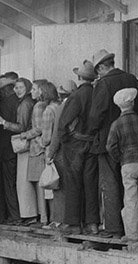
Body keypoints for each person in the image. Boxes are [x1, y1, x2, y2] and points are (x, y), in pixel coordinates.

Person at [87, 49, 138, 238]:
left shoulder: (103, 84)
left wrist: (93, 130)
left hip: (108, 142)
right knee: (135, 190)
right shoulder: (131, 79)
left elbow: (95, 117)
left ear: (102, 67)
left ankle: (114, 228)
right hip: (134, 143)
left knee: (110, 184)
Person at [47, 61, 98, 236]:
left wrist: (65, 140)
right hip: (92, 143)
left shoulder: (77, 96)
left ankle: (74, 223)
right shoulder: (97, 93)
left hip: (75, 145)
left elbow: (64, 123)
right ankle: (92, 224)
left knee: (73, 183)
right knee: (90, 184)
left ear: (79, 77)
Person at [106, 87, 138, 243]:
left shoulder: (116, 124)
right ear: (132, 102)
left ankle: (132, 234)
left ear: (119, 106)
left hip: (127, 163)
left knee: (130, 199)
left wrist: (120, 158)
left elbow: (110, 146)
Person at [27, 79, 61, 226]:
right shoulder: (60, 106)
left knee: (50, 186)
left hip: (50, 151)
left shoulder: (46, 110)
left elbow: (46, 137)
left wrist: (36, 142)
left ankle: (53, 220)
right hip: (63, 150)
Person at [0, 72, 21, 223]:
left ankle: (10, 215)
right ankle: (14, 215)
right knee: (12, 183)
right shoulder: (18, 101)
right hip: (14, 148)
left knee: (6, 184)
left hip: (5, 149)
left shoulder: (3, 103)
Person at [11, 78, 38, 224]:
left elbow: (21, 127)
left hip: (25, 144)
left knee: (23, 182)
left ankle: (29, 214)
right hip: (31, 144)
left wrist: (4, 123)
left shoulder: (25, 104)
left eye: (20, 87)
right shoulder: (29, 102)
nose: (17, 90)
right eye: (16, 87)